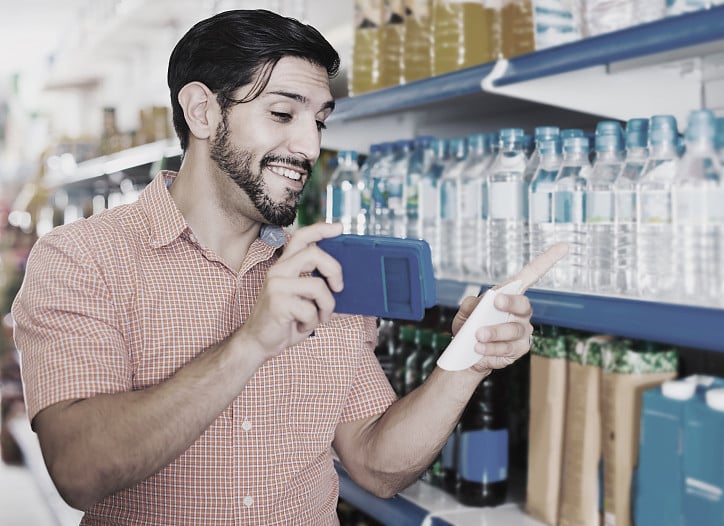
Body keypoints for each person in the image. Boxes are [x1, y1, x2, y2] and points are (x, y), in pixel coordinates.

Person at [11, 9, 564, 525]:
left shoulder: (326, 267)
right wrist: (253, 340)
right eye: (282, 113)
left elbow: (375, 463)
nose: (308, 145)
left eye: (320, 121)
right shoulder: (81, 259)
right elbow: (79, 471)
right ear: (202, 111)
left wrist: (467, 361)